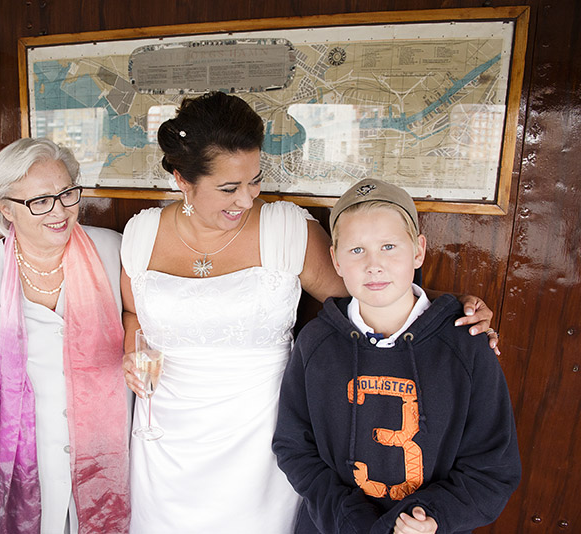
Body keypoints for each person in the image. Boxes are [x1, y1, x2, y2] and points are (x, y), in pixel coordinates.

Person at [120, 92, 497, 533]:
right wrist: (132, 353)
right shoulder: (141, 234)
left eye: (254, 181)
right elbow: (134, 313)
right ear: (183, 179)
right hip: (165, 435)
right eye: (228, 188)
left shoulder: (285, 229)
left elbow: (370, 293)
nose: (246, 199)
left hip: (262, 438)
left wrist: (454, 309)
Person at [272, 178, 521, 533]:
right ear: (336, 260)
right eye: (356, 250)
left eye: (389, 246)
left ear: (418, 251)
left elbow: (492, 467)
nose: (374, 265)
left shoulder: (466, 345)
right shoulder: (315, 343)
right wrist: (350, 519)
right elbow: (295, 448)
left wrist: (432, 518)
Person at [0, 137, 130, 534]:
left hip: (105, 450)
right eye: (40, 201)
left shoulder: (112, 250)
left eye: (67, 193)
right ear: (6, 208)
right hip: (18, 455)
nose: (60, 211)